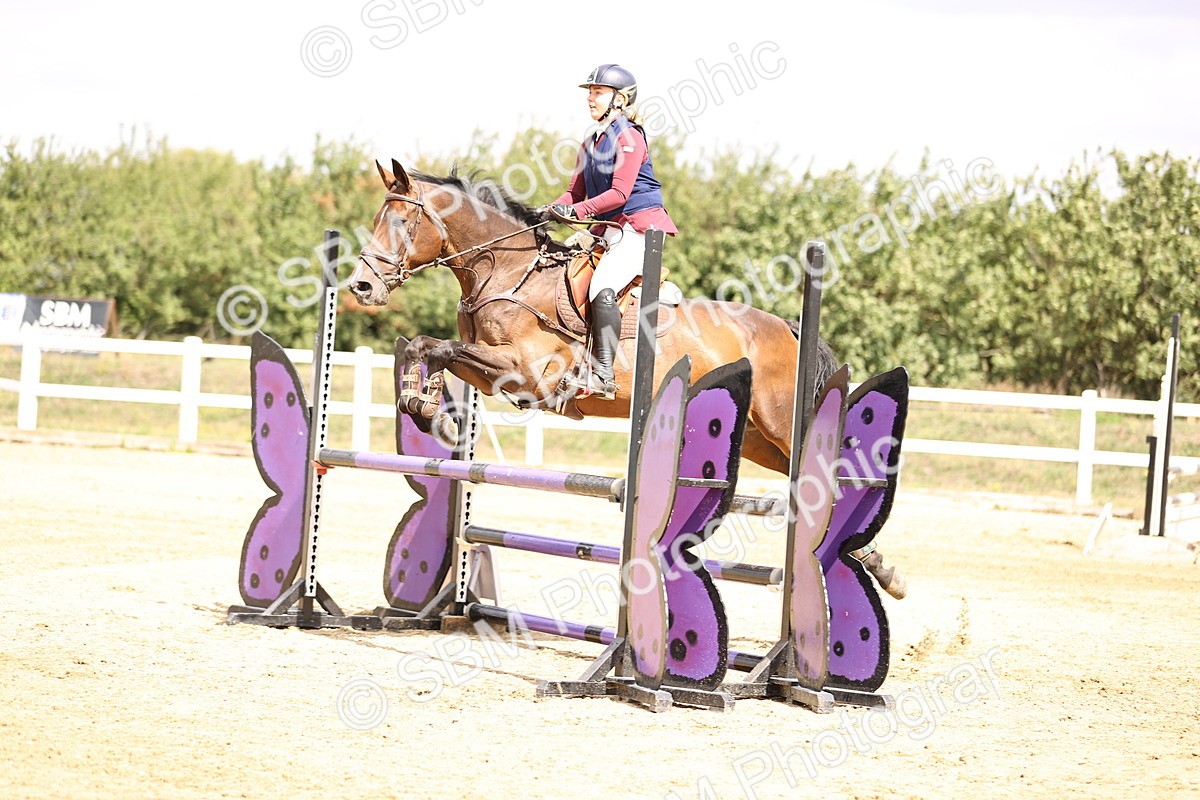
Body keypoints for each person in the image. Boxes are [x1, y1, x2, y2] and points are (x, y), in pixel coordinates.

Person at [539, 63, 678, 399]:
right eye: (590, 92)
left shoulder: (629, 137)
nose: (590, 98)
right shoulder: (590, 142)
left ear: (620, 99)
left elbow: (619, 194)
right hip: (610, 231)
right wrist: (544, 211)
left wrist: (576, 212)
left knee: (602, 286)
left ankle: (603, 374)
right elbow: (573, 194)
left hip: (639, 229)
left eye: (598, 92)